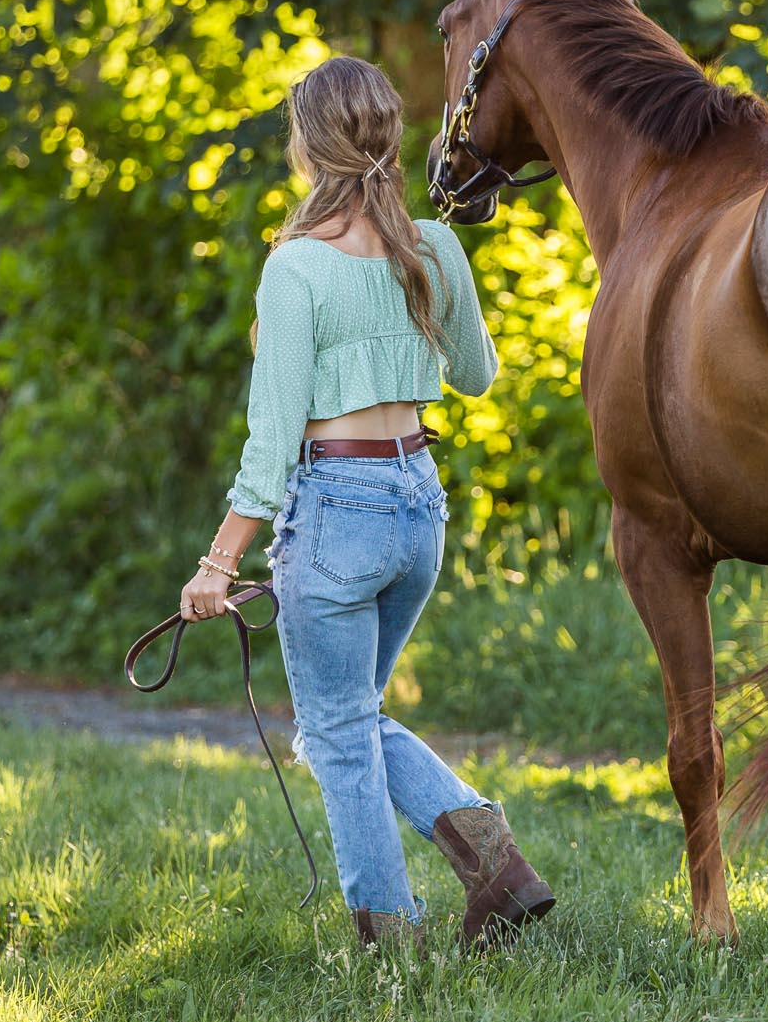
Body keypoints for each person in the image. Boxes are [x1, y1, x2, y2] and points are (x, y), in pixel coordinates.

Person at [179, 56, 554, 949]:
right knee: (352, 715)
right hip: (417, 505)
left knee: (337, 730)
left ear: (305, 149)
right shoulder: (436, 246)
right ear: (390, 139)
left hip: (335, 509)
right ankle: (487, 854)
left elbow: (272, 443)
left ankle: (393, 941)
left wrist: (217, 562)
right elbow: (475, 376)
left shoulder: (296, 268)